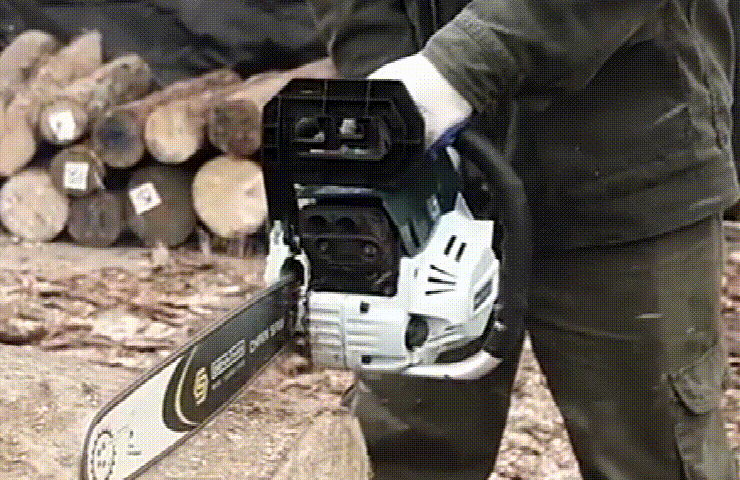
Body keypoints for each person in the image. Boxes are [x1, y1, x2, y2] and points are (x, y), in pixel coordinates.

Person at [305, 0, 740, 479]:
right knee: (406, 454)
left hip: (630, 166)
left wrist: (457, 67)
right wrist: (387, 79)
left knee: (651, 453)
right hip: (437, 186)